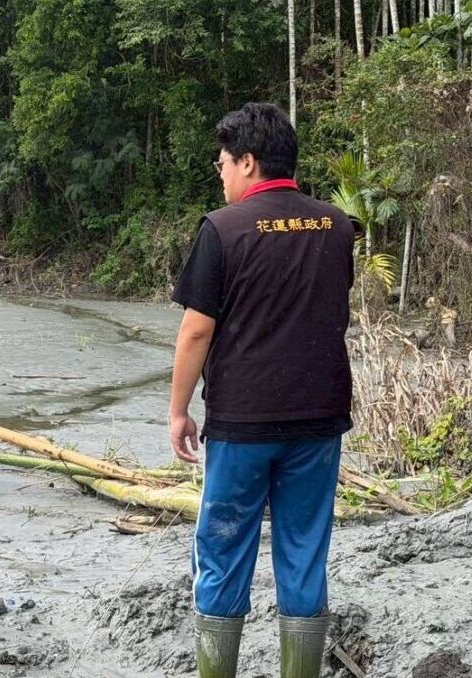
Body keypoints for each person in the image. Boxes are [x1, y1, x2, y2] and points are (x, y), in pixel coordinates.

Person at [168, 103, 356, 678]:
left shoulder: (222, 230)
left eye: (224, 162)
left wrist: (178, 412)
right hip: (318, 420)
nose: (220, 173)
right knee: (304, 552)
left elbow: (197, 329)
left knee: (223, 550)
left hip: (243, 423)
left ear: (249, 162)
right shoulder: (338, 226)